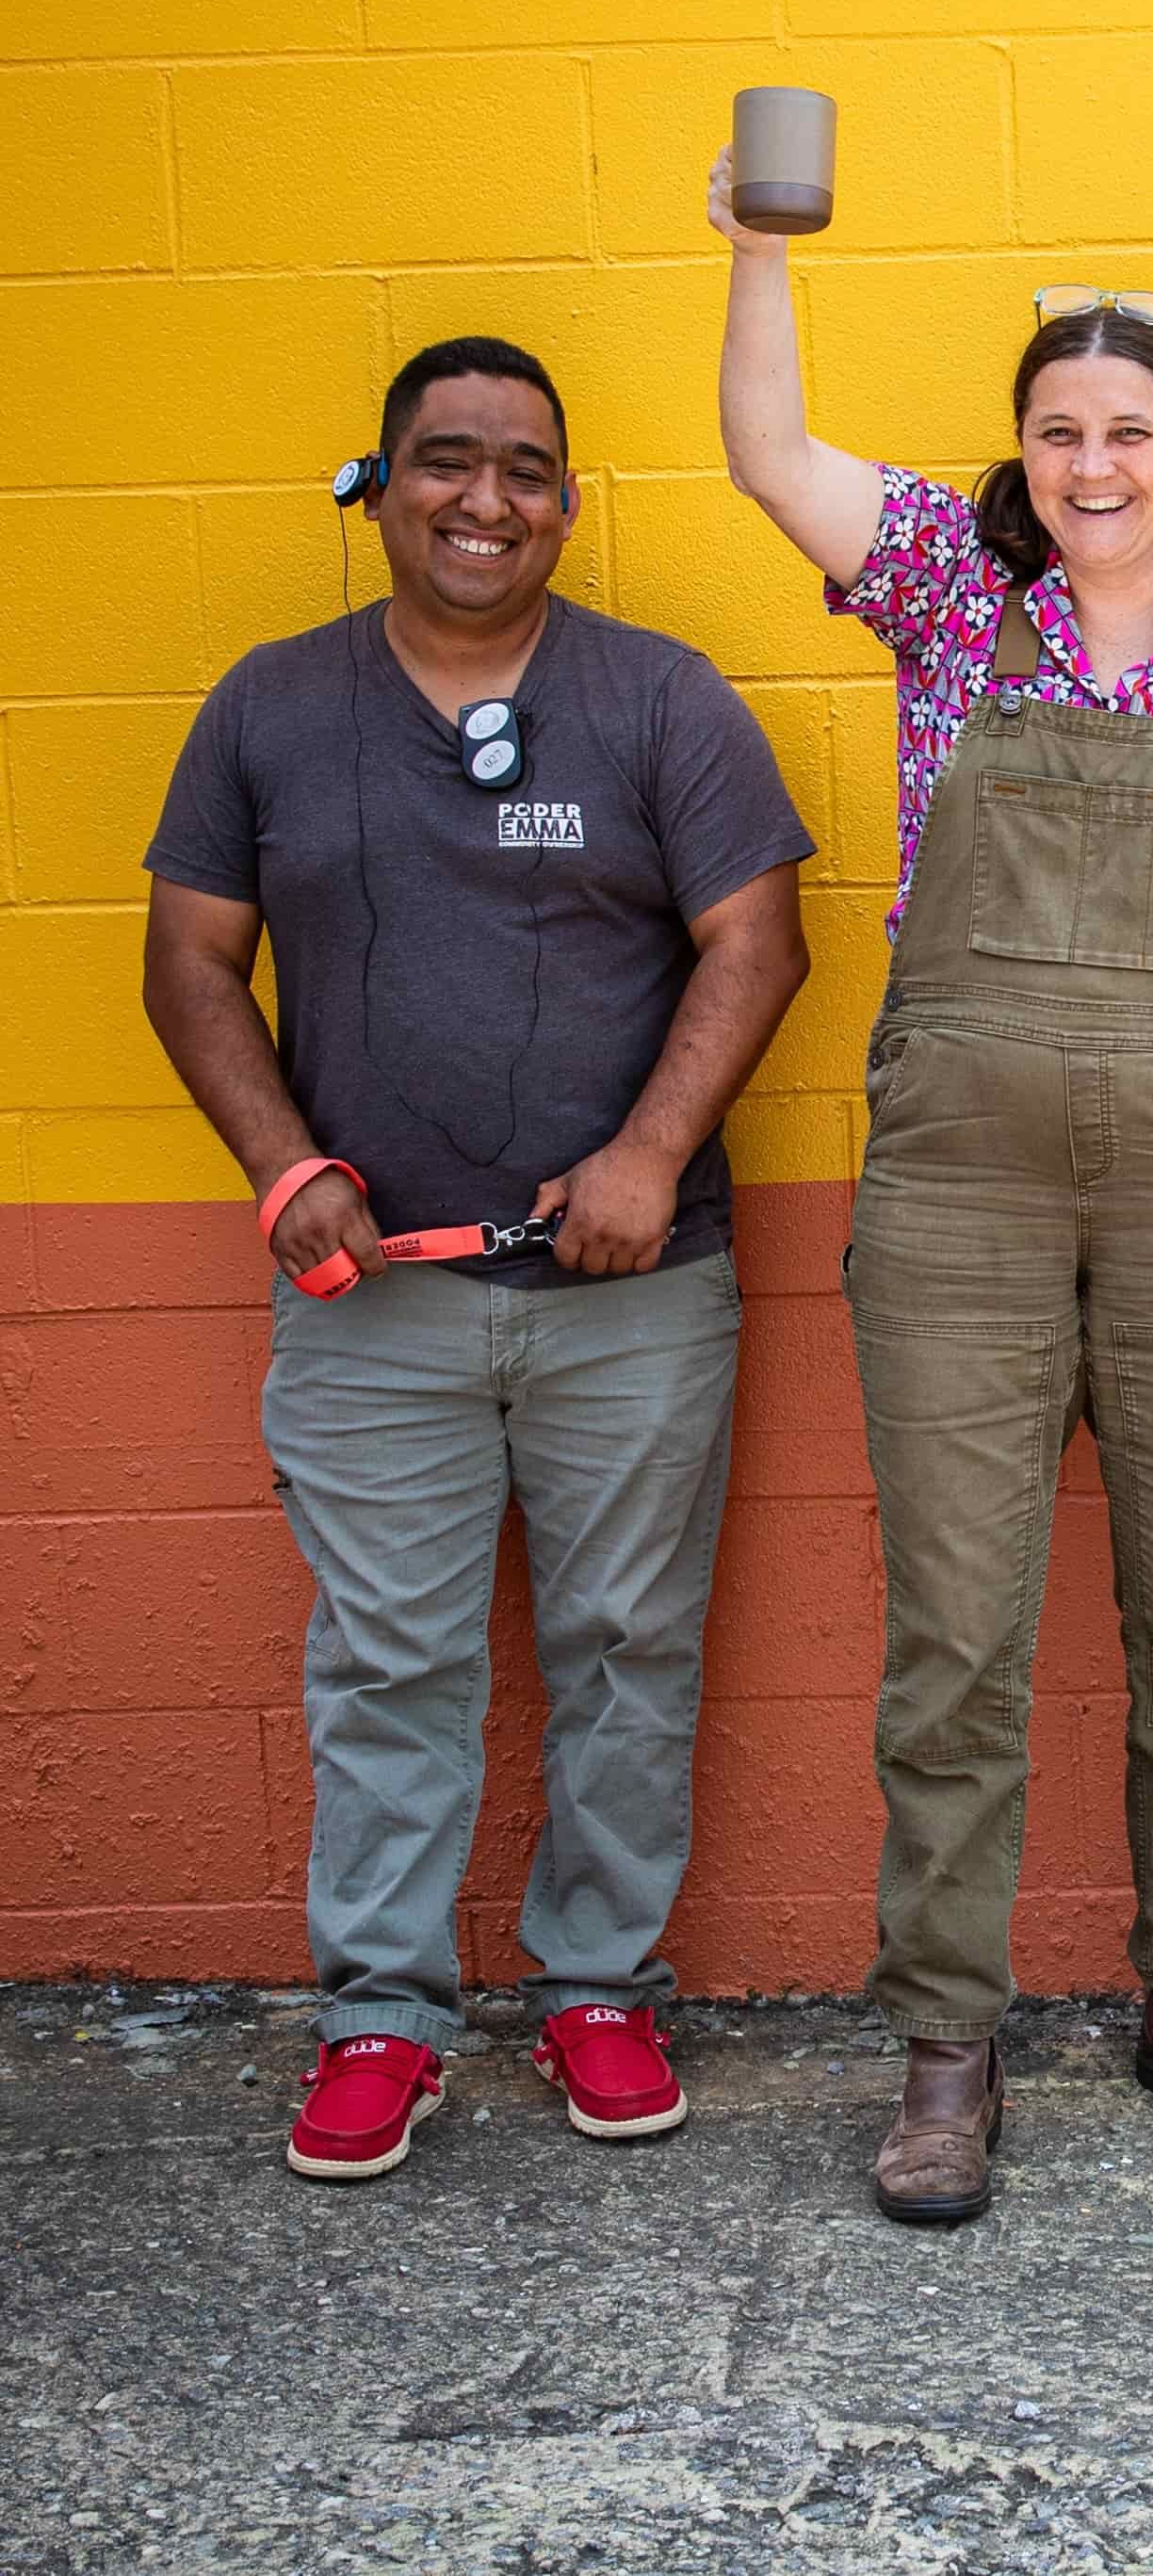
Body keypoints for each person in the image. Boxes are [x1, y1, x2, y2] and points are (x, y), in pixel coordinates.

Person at [711, 157, 1153, 2224]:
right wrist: (759, 244)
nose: (1092, 464)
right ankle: (945, 2044)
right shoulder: (938, 582)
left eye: (1130, 432)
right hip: (959, 1188)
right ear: (1021, 451)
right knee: (957, 1637)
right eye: (1057, 431)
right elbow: (759, 445)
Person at [141, 334, 815, 2181]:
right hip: (379, 1303)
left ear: (568, 502)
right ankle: (380, 2020)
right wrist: (287, 1173)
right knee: (388, 1662)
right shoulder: (269, 708)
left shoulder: (659, 699)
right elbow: (189, 964)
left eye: (525, 467)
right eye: (445, 460)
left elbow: (756, 942)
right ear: (380, 484)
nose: (484, 498)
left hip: (635, 1297)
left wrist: (646, 1154)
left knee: (625, 1651)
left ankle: (599, 1984)